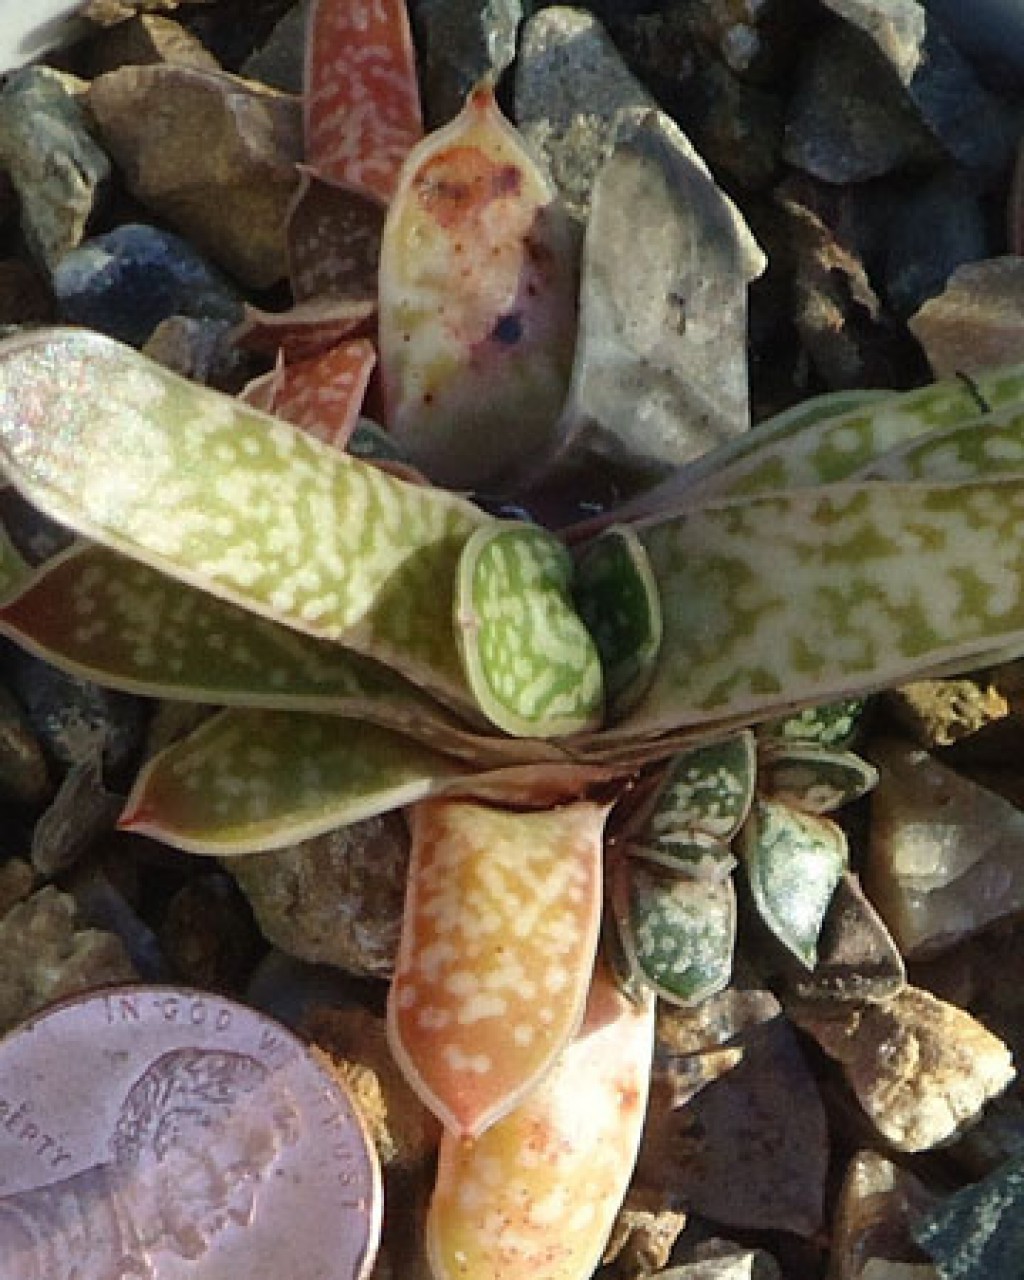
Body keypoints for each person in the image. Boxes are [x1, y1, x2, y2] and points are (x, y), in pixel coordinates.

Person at [0, 1047, 299, 1279]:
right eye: (240, 1176)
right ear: (173, 1146)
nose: (243, 1213)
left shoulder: (132, 1259)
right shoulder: (18, 1242)